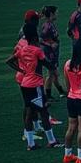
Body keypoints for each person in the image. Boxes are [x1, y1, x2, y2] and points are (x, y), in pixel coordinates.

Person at [6, 23, 62, 151]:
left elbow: (9, 60)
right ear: (36, 38)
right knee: (43, 112)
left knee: (29, 112)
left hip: (25, 84)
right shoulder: (37, 51)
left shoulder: (22, 50)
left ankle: (30, 144)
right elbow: (46, 63)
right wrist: (53, 69)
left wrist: (21, 70)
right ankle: (52, 141)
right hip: (35, 84)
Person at [40, 6, 66, 101]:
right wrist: (50, 45)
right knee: (51, 74)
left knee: (55, 73)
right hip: (49, 53)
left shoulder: (51, 24)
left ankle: (61, 92)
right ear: (51, 14)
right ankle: (48, 95)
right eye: (56, 12)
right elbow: (40, 39)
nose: (57, 14)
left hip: (53, 53)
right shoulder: (47, 26)